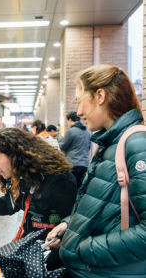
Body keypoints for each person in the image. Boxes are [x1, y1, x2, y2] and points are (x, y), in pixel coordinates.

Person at [46, 65, 146, 278]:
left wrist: (81, 248)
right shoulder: (110, 142)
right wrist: (70, 226)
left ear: (100, 96)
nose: (79, 112)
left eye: (79, 100)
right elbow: (105, 209)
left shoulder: (137, 143)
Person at [0, 128, 77, 271]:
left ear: (15, 156)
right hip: (31, 251)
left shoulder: (59, 182)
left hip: (53, 260)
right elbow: (13, 203)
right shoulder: (23, 177)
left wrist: (60, 238)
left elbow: (74, 222)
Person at [59, 111, 91, 188]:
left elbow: (62, 146)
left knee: (71, 186)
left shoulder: (70, 131)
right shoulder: (87, 131)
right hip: (85, 163)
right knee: (80, 186)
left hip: (73, 163)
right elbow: (89, 147)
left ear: (70, 120)